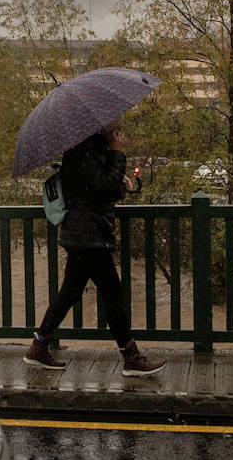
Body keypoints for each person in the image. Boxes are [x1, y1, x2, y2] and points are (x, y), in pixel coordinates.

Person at [24, 119, 164, 376]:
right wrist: (117, 152)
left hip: (87, 233)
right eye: (116, 123)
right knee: (113, 294)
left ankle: (38, 347)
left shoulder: (90, 148)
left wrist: (120, 184)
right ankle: (131, 357)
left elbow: (101, 191)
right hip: (87, 235)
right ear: (102, 123)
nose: (119, 125)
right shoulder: (82, 150)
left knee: (70, 293)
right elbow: (99, 186)